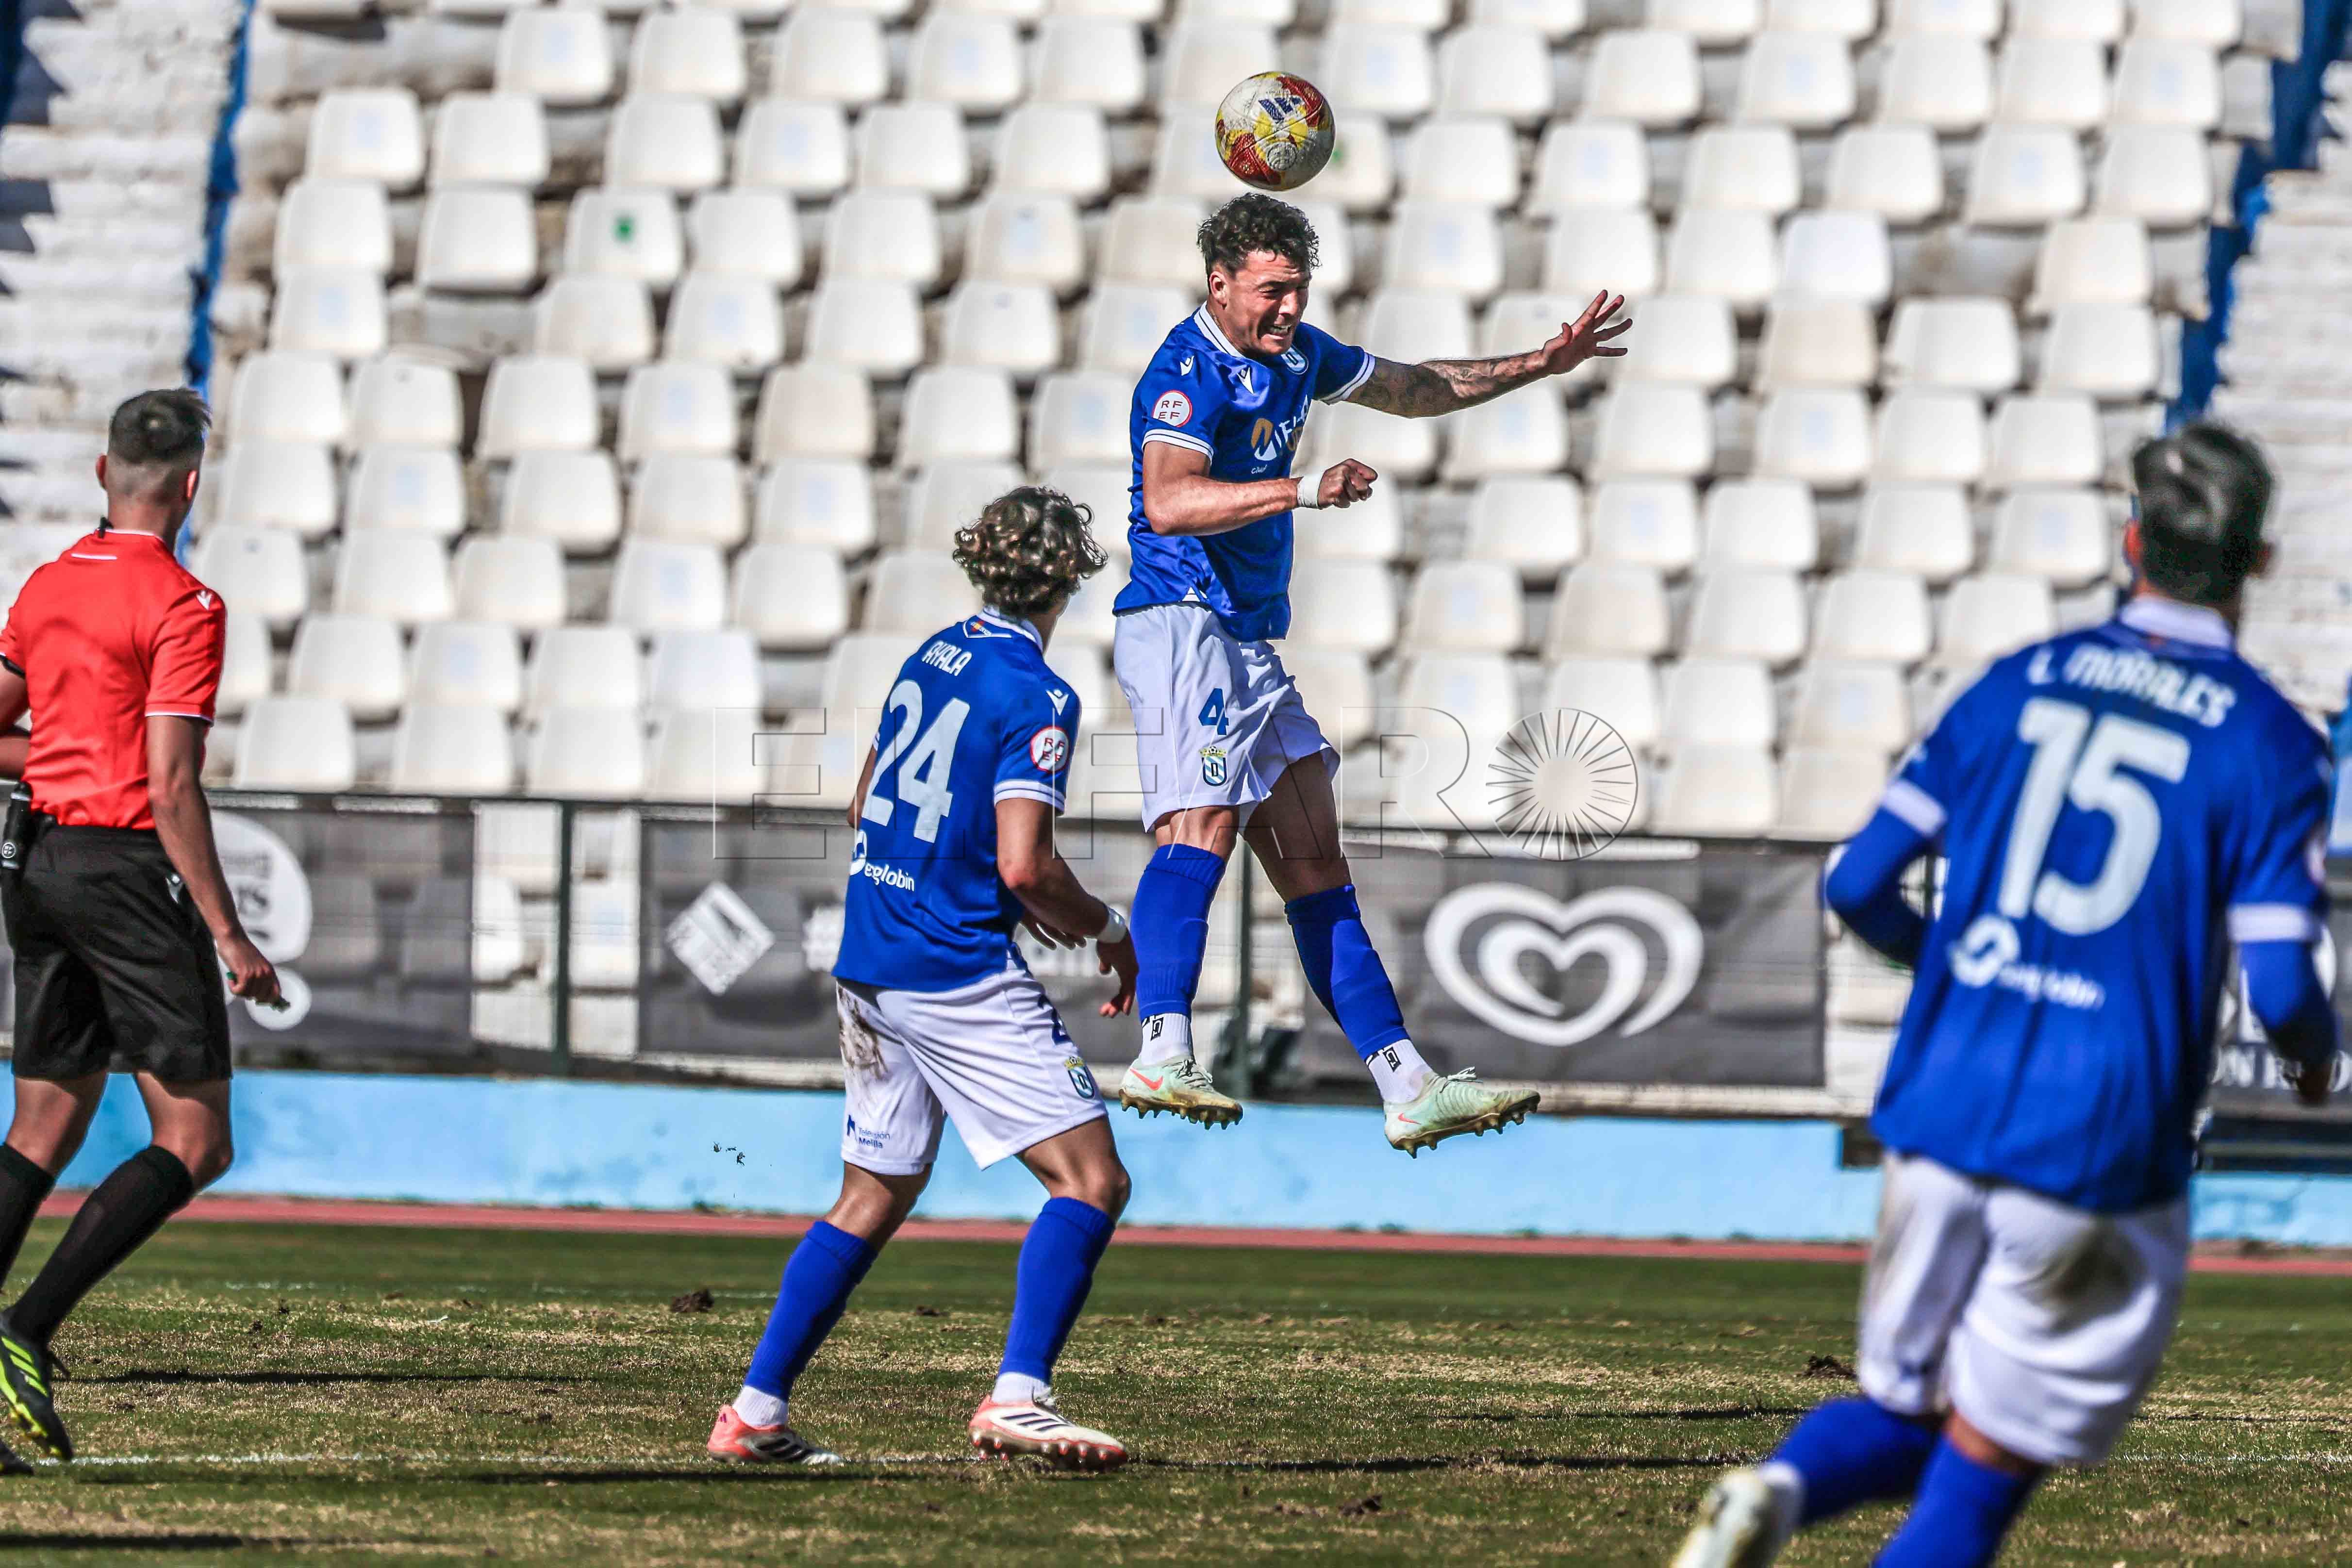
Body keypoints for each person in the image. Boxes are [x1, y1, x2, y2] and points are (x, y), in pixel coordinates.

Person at [1673, 422, 2338, 1568]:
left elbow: (1856, 878)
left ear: (2130, 539)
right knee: (1990, 1459)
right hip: (2098, 1133)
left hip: (1940, 1100)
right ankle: (1779, 1496)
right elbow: (2280, 979)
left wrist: (1944, 968)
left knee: (1912, 1406)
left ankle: (1775, 1487)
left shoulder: (2013, 680)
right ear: (2258, 563)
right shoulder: (2273, 741)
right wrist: (2311, 1055)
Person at [1110, 192, 1631, 1150]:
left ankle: (1405, 1083)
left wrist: (1541, 363)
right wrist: (1303, 489)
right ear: (1218, 285)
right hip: (1181, 625)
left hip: (1246, 642)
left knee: (1315, 861)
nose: (1285, 308)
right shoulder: (1185, 372)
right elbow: (1170, 501)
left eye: (1297, 290)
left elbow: (1418, 388)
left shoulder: (1299, 356)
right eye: (1269, 290)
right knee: (1204, 823)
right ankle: (1161, 1046)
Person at [708, 487, 1141, 1469]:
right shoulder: (1037, 694)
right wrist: (1110, 927)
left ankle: (754, 1411)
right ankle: (1019, 1394)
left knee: (871, 1192)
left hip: (868, 957)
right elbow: (1026, 866)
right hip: (950, 969)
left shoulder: (931, 653)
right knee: (1090, 1178)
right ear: (1068, 579)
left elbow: (869, 796)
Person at [0, 389, 282, 1464]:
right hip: (122, 867)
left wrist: (69, 760)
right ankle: (26, 1326)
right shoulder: (185, 604)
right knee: (197, 1138)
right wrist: (230, 932)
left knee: (44, 1123)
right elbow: (170, 786)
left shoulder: (47, 584)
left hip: (36, 860)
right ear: (192, 485)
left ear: (99, 471)